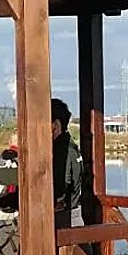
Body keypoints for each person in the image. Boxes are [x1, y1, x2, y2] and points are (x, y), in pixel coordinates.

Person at [51, 98, 84, 230]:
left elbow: (60, 189)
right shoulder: (72, 147)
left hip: (64, 219)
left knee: (75, 250)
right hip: (73, 214)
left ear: (56, 124)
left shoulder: (62, 152)